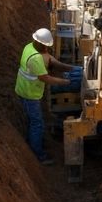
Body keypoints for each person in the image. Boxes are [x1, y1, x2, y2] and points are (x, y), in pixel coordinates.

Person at [15, 28, 77, 165]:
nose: (46, 48)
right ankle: (38, 154)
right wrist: (66, 82)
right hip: (29, 94)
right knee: (37, 124)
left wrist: (69, 68)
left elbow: (49, 58)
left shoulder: (30, 46)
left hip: (24, 89)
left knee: (33, 122)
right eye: (45, 46)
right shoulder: (36, 59)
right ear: (41, 44)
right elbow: (46, 78)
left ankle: (32, 142)